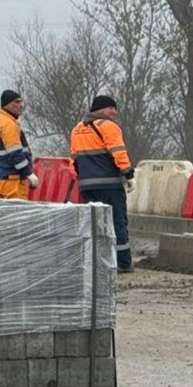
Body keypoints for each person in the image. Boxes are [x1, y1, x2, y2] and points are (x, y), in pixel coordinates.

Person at [70, 95, 136, 273]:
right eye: (111, 108)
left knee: (94, 225)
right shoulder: (108, 126)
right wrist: (129, 175)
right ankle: (123, 263)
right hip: (109, 185)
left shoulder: (77, 129)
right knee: (117, 222)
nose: (114, 112)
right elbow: (118, 152)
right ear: (99, 110)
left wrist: (81, 178)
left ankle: (96, 262)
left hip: (87, 186)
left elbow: (74, 160)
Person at [0, 89, 38, 200]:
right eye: (17, 102)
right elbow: (15, 153)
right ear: (7, 104)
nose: (21, 105)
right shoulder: (9, 124)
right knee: (16, 210)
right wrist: (29, 174)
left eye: (21, 102)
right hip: (11, 181)